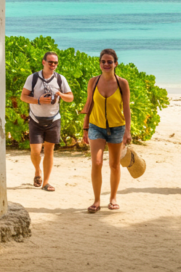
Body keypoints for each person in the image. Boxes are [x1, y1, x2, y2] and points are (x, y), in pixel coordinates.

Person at [82, 49, 132, 213]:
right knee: (96, 163)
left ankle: (113, 198)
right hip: (96, 126)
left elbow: (126, 108)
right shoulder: (93, 82)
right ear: (100, 63)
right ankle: (96, 201)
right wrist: (85, 128)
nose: (106, 64)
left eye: (110, 62)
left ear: (115, 64)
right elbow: (89, 105)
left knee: (114, 165)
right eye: (103, 61)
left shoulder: (122, 83)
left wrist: (128, 131)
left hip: (117, 128)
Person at [20, 51, 73, 192]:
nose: (53, 65)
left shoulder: (60, 79)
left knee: (49, 151)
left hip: (54, 119)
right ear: (43, 62)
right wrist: (38, 100)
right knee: (35, 152)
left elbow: (70, 97)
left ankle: (46, 183)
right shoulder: (33, 78)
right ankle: (38, 171)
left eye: (55, 63)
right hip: (36, 119)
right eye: (50, 62)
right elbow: (23, 97)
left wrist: (61, 94)